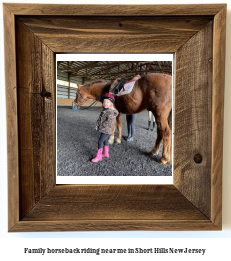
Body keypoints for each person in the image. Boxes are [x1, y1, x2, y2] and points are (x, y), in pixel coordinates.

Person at [91, 93, 119, 163]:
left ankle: (99, 156)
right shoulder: (106, 110)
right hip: (106, 129)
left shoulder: (110, 111)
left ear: (111, 103)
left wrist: (101, 126)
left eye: (107, 102)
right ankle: (106, 153)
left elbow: (109, 122)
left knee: (100, 141)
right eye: (104, 102)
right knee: (105, 141)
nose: (105, 103)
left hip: (106, 129)